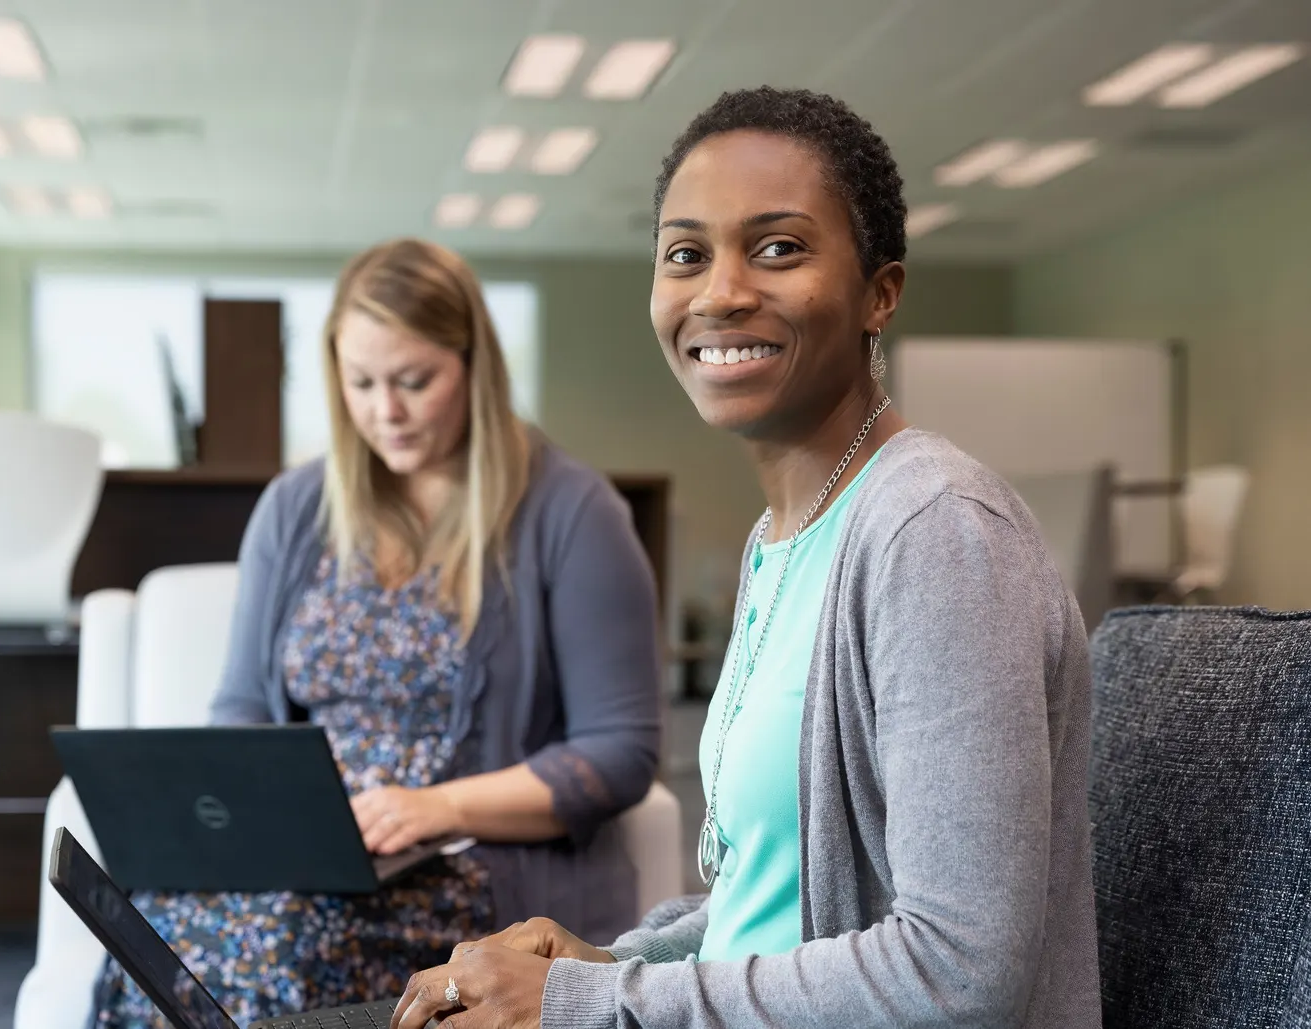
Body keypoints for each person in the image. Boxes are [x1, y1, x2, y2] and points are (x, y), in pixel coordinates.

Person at [390, 86, 1102, 1029]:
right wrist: (614, 960)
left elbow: (958, 971)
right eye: (686, 253)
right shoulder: (785, 541)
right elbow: (780, 910)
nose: (721, 291)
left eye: (779, 248)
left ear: (879, 293)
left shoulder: (934, 530)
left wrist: (598, 1004)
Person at [91, 238, 663, 1026]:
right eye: (360, 383)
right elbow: (240, 712)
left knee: (280, 942)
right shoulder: (297, 509)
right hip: (307, 856)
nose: (384, 410)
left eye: (413, 381)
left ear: (473, 365)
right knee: (149, 922)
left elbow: (617, 755)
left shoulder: (571, 512)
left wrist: (437, 806)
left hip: (467, 870)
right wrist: (274, 820)